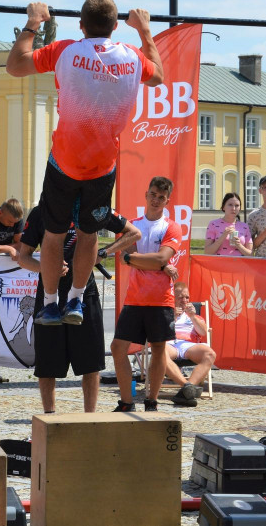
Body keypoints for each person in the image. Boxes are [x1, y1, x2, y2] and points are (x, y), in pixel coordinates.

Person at [6, 0, 164, 327]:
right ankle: (75, 300)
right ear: (114, 27)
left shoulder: (66, 50)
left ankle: (50, 303)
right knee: (89, 234)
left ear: (81, 25)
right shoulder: (133, 56)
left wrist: (33, 23)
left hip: (64, 162)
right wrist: (145, 30)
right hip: (102, 167)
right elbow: (159, 77)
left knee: (54, 233)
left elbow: (15, 65)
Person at [16, 204, 140, 414]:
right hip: (49, 294)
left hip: (85, 293)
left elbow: (134, 233)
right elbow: (23, 257)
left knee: (90, 363)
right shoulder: (42, 211)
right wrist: (47, 268)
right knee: (47, 363)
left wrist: (103, 252)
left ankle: (89, 418)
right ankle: (50, 417)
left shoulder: (93, 207)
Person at [109, 176, 182, 412]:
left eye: (161, 197)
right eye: (153, 194)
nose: (156, 200)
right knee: (118, 348)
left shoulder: (172, 226)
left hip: (161, 298)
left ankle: (152, 400)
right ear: (146, 195)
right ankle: (126, 402)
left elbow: (159, 257)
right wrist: (158, 265)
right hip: (135, 297)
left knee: (158, 350)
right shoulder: (133, 225)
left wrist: (143, 260)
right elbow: (124, 256)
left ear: (167, 200)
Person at [164, 281, 215, 407]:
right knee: (159, 352)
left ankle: (185, 391)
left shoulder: (193, 315)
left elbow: (203, 331)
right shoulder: (165, 313)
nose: (184, 300)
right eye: (180, 297)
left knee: (210, 354)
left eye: (187, 297)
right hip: (169, 343)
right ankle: (187, 387)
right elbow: (155, 331)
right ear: (173, 298)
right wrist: (171, 317)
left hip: (188, 345)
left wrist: (192, 317)